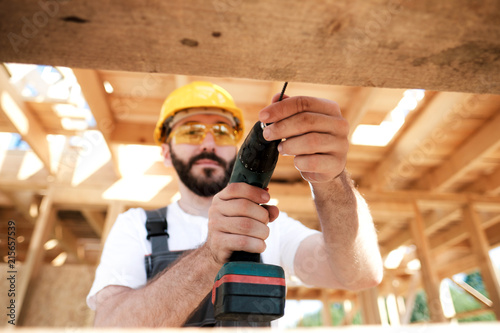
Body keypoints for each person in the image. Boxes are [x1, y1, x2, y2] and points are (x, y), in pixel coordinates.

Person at [86, 81, 383, 327]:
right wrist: (209, 257)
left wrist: (332, 182)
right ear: (165, 152)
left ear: (237, 146)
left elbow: (360, 273)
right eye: (191, 131)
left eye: (222, 131)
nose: (208, 143)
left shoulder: (271, 224)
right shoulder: (135, 226)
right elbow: (108, 326)